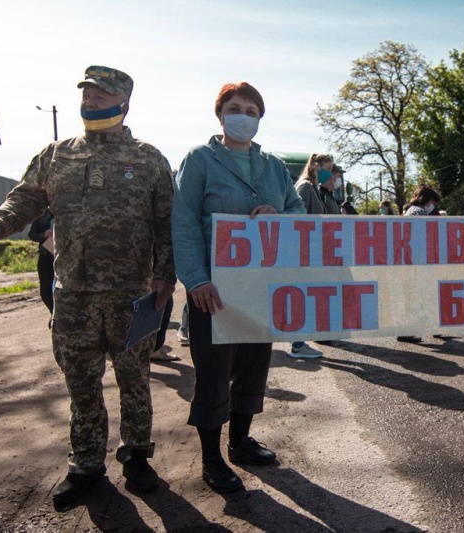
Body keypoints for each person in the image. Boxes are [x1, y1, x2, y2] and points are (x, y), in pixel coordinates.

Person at [0, 66, 175, 506]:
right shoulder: (57, 155)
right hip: (73, 295)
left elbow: (167, 223)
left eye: (100, 95)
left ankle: (137, 456)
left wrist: (165, 275)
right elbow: (24, 200)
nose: (89, 101)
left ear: (123, 104)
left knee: (134, 380)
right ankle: (86, 464)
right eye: (86, 93)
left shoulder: (149, 159)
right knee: (82, 384)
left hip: (133, 295)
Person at [172, 81, 305, 493]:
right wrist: (195, 279)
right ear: (220, 114)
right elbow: (183, 221)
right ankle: (211, 458)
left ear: (260, 118)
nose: (243, 115)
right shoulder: (199, 160)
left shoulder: (274, 166)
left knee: (253, 365)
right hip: (213, 289)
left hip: (259, 287)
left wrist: (278, 214)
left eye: (251, 110)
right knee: (213, 374)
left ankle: (241, 441)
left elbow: (298, 211)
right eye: (235, 107)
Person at [290, 153, 332, 359]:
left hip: (310, 251)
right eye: (327, 168)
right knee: (303, 297)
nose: (329, 174)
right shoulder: (305, 187)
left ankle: (299, 342)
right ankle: (298, 344)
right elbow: (298, 218)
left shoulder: (312, 187)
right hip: (304, 252)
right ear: (315, 166)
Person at [398, 184, 441, 343]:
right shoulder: (420, 213)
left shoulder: (410, 210)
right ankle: (408, 330)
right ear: (428, 200)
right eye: (433, 203)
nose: (434, 206)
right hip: (417, 261)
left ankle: (406, 330)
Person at [27, 207, 54, 314]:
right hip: (46, 256)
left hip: (65, 259)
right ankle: (53, 313)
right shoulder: (41, 214)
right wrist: (43, 235)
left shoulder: (68, 211)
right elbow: (31, 234)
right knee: (45, 292)